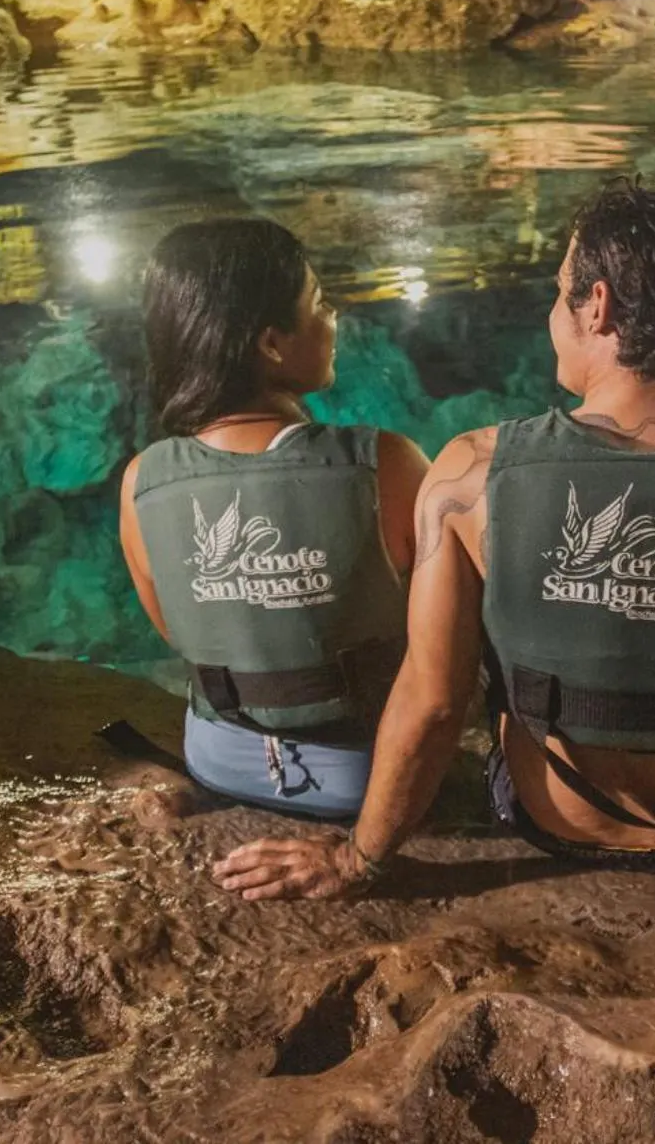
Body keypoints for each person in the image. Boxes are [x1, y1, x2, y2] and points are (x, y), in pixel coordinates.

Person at [212, 176, 655, 899]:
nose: (553, 313)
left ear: (597, 306)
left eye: (560, 293)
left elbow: (434, 699)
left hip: (552, 824)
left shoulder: (472, 473)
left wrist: (357, 860)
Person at [118, 218, 428, 819]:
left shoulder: (141, 482)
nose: (332, 318)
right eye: (319, 303)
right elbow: (447, 641)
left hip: (219, 762)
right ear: (270, 343)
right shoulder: (384, 464)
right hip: (370, 775)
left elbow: (184, 634)